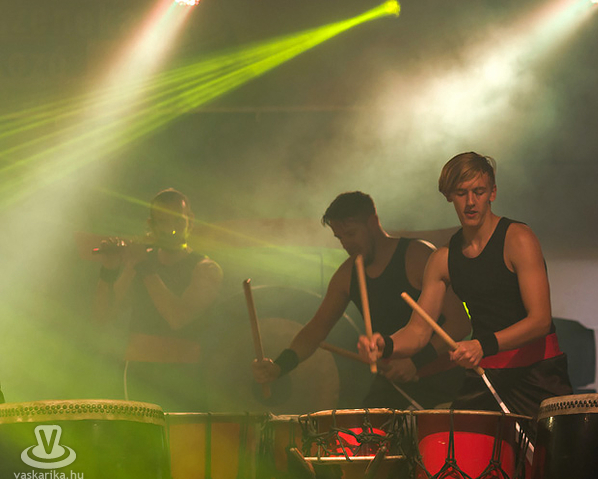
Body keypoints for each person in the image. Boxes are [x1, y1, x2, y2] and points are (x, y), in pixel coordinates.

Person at [359, 153, 572, 421]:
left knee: (549, 449)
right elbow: (418, 330)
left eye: (478, 192)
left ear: (493, 193)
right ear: (449, 196)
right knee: (454, 444)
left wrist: (482, 345)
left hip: (538, 375)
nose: (470, 202)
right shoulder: (443, 259)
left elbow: (540, 320)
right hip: (485, 375)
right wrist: (386, 345)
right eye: (461, 193)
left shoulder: (519, 239)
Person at [252, 191, 470, 410]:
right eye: (340, 238)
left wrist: (416, 362)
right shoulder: (347, 275)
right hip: (394, 379)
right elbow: (316, 330)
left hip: (444, 377)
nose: (346, 244)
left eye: (351, 234)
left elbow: (460, 324)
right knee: (366, 428)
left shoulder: (418, 256)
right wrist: (280, 366)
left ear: (373, 222)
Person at [94, 188, 223, 412]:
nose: (170, 229)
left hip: (184, 377)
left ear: (190, 221)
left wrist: (144, 267)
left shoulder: (206, 268)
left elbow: (177, 318)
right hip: (137, 374)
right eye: (162, 221)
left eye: (177, 220)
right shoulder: (140, 264)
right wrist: (109, 271)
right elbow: (102, 316)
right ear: (151, 224)